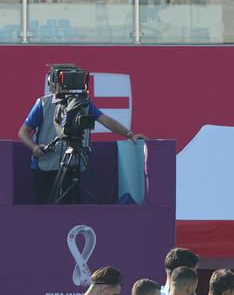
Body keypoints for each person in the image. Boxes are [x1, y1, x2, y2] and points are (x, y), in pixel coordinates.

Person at [17, 66, 144, 203]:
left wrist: (129, 134)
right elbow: (23, 131)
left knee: (71, 208)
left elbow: (105, 120)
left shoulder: (84, 103)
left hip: (72, 164)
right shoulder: (43, 103)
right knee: (45, 209)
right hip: (45, 165)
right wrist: (34, 147)